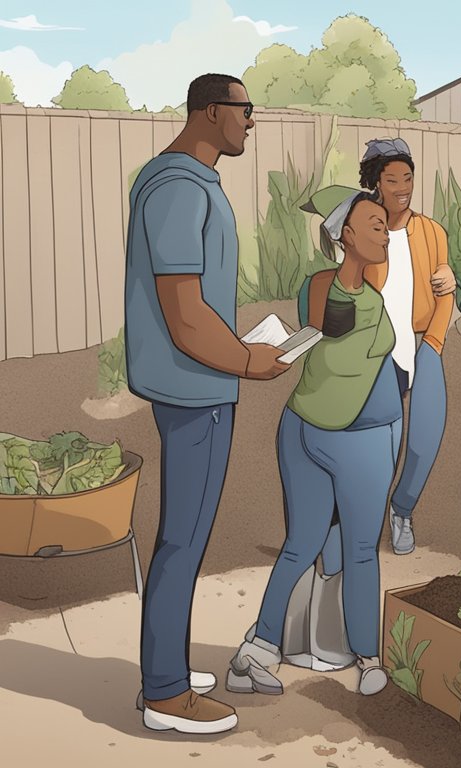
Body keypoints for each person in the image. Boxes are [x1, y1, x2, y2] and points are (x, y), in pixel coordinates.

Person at [125, 73, 285, 735]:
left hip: (199, 379)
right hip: (195, 387)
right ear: (211, 112)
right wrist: (249, 360)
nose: (252, 122)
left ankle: (165, 664)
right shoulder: (179, 189)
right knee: (183, 538)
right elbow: (185, 311)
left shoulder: (179, 181)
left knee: (183, 536)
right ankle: (164, 692)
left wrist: (239, 349)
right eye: (245, 111)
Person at [229, 192, 398, 699]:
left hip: (303, 425)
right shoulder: (341, 293)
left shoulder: (331, 288)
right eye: (374, 224)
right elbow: (330, 319)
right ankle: (368, 657)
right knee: (362, 549)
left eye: (386, 225)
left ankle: (256, 651)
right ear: (345, 234)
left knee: (302, 544)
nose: (385, 233)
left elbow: (323, 315)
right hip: (356, 436)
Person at [349, 138, 454, 556]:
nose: (402, 187)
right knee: (379, 443)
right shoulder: (363, 229)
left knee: (426, 434)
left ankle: (402, 508)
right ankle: (364, 517)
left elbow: (445, 292)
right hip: (376, 347)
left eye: (407, 178)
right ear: (376, 183)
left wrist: (435, 341)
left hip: (422, 340)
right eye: (392, 180)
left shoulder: (431, 232)